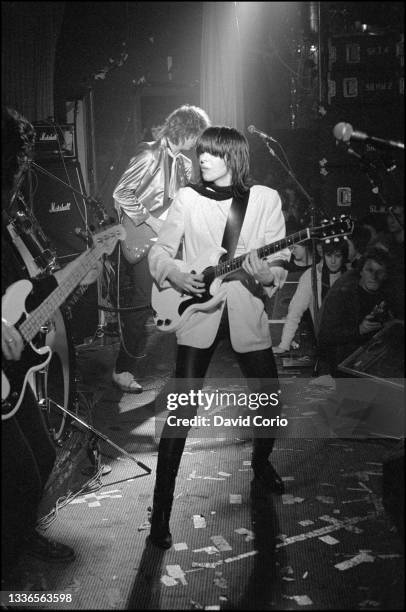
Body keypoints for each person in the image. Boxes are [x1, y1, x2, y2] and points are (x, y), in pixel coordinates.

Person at [147, 126, 291, 549]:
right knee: (181, 414)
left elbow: (278, 265)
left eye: (211, 154)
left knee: (270, 402)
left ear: (233, 157)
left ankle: (260, 463)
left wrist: (266, 275)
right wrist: (173, 271)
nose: (201, 159)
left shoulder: (264, 199)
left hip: (246, 314)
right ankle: (160, 511)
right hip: (197, 315)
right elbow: (159, 250)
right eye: (201, 153)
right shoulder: (188, 198)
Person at [1, 107, 102, 584]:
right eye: (16, 163)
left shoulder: (12, 223)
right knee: (19, 466)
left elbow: (38, 296)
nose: (21, 173)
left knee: (41, 455)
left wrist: (85, 265)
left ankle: (20, 535)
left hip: (12, 372)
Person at [112, 104, 211, 393]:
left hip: (169, 244)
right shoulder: (148, 154)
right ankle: (122, 369)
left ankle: (183, 370)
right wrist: (151, 221)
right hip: (144, 238)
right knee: (143, 304)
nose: (197, 143)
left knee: (181, 302)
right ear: (187, 132)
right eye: (197, 136)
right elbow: (120, 193)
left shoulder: (185, 164)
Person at [318, 246, 393, 377]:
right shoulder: (342, 294)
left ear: (386, 275)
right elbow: (326, 335)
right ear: (361, 271)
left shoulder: (385, 292)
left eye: (380, 272)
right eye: (370, 270)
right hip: (343, 367)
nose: (374, 277)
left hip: (371, 362)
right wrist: (359, 330)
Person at [273, 238, 348, 353]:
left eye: (337, 256)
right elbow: (294, 313)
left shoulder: (350, 275)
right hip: (326, 344)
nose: (333, 261)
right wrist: (284, 345)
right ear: (323, 255)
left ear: (343, 256)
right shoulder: (311, 276)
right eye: (329, 255)